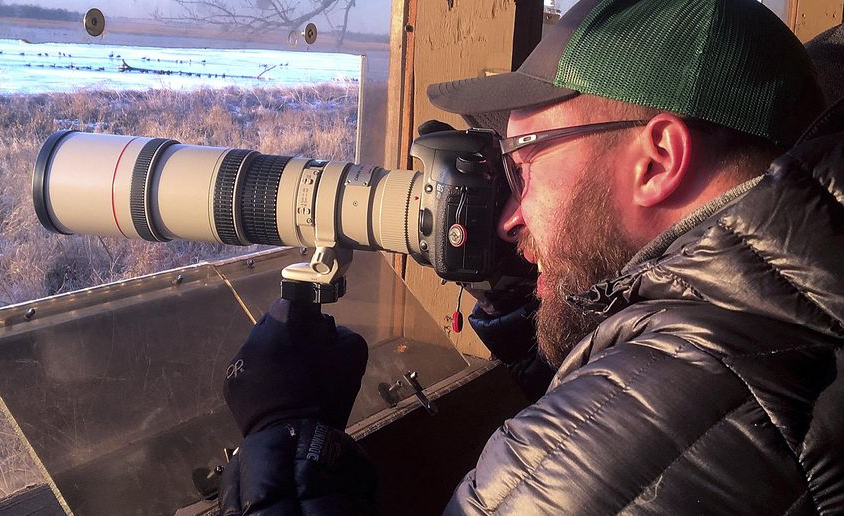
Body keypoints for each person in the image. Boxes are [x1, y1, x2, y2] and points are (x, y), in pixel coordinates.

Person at [218, 0, 844, 513]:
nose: (511, 216)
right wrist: (531, 296)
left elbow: (617, 447)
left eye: (524, 163)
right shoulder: (784, 319)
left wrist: (284, 442)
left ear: (657, 162)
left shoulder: (679, 402)